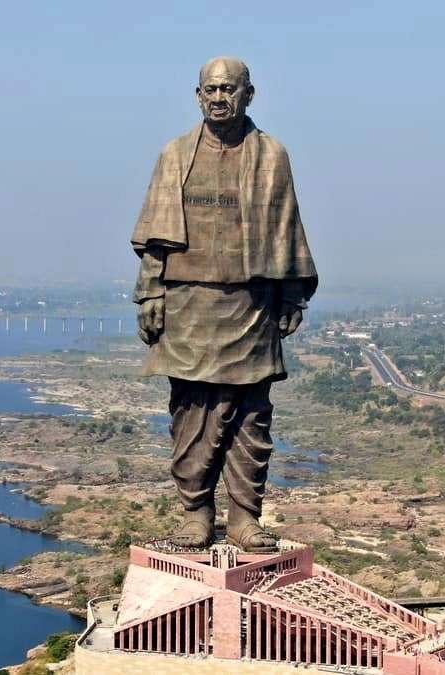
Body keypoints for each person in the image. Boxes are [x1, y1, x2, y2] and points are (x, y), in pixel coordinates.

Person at [130, 56, 317, 551]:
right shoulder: (175, 154)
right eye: (210, 89)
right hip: (188, 302)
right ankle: (196, 511)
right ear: (197, 96)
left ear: (248, 94)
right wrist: (150, 291)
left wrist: (291, 292)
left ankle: (243, 516)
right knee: (191, 410)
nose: (219, 97)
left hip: (251, 304)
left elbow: (286, 228)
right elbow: (154, 237)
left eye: (228, 89)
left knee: (251, 414)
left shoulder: (272, 155)